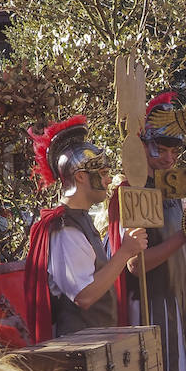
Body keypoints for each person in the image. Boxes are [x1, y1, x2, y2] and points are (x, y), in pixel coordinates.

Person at [24, 117, 147, 342]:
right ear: (81, 176)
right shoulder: (65, 228)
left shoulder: (80, 219)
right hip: (78, 346)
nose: (108, 180)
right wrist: (125, 253)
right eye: (101, 173)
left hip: (94, 342)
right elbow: (84, 296)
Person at [108, 92, 186, 371]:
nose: (169, 158)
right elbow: (135, 264)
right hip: (150, 305)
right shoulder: (130, 191)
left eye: (174, 151)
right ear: (143, 146)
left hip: (176, 300)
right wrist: (185, 235)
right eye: (161, 149)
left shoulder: (174, 189)